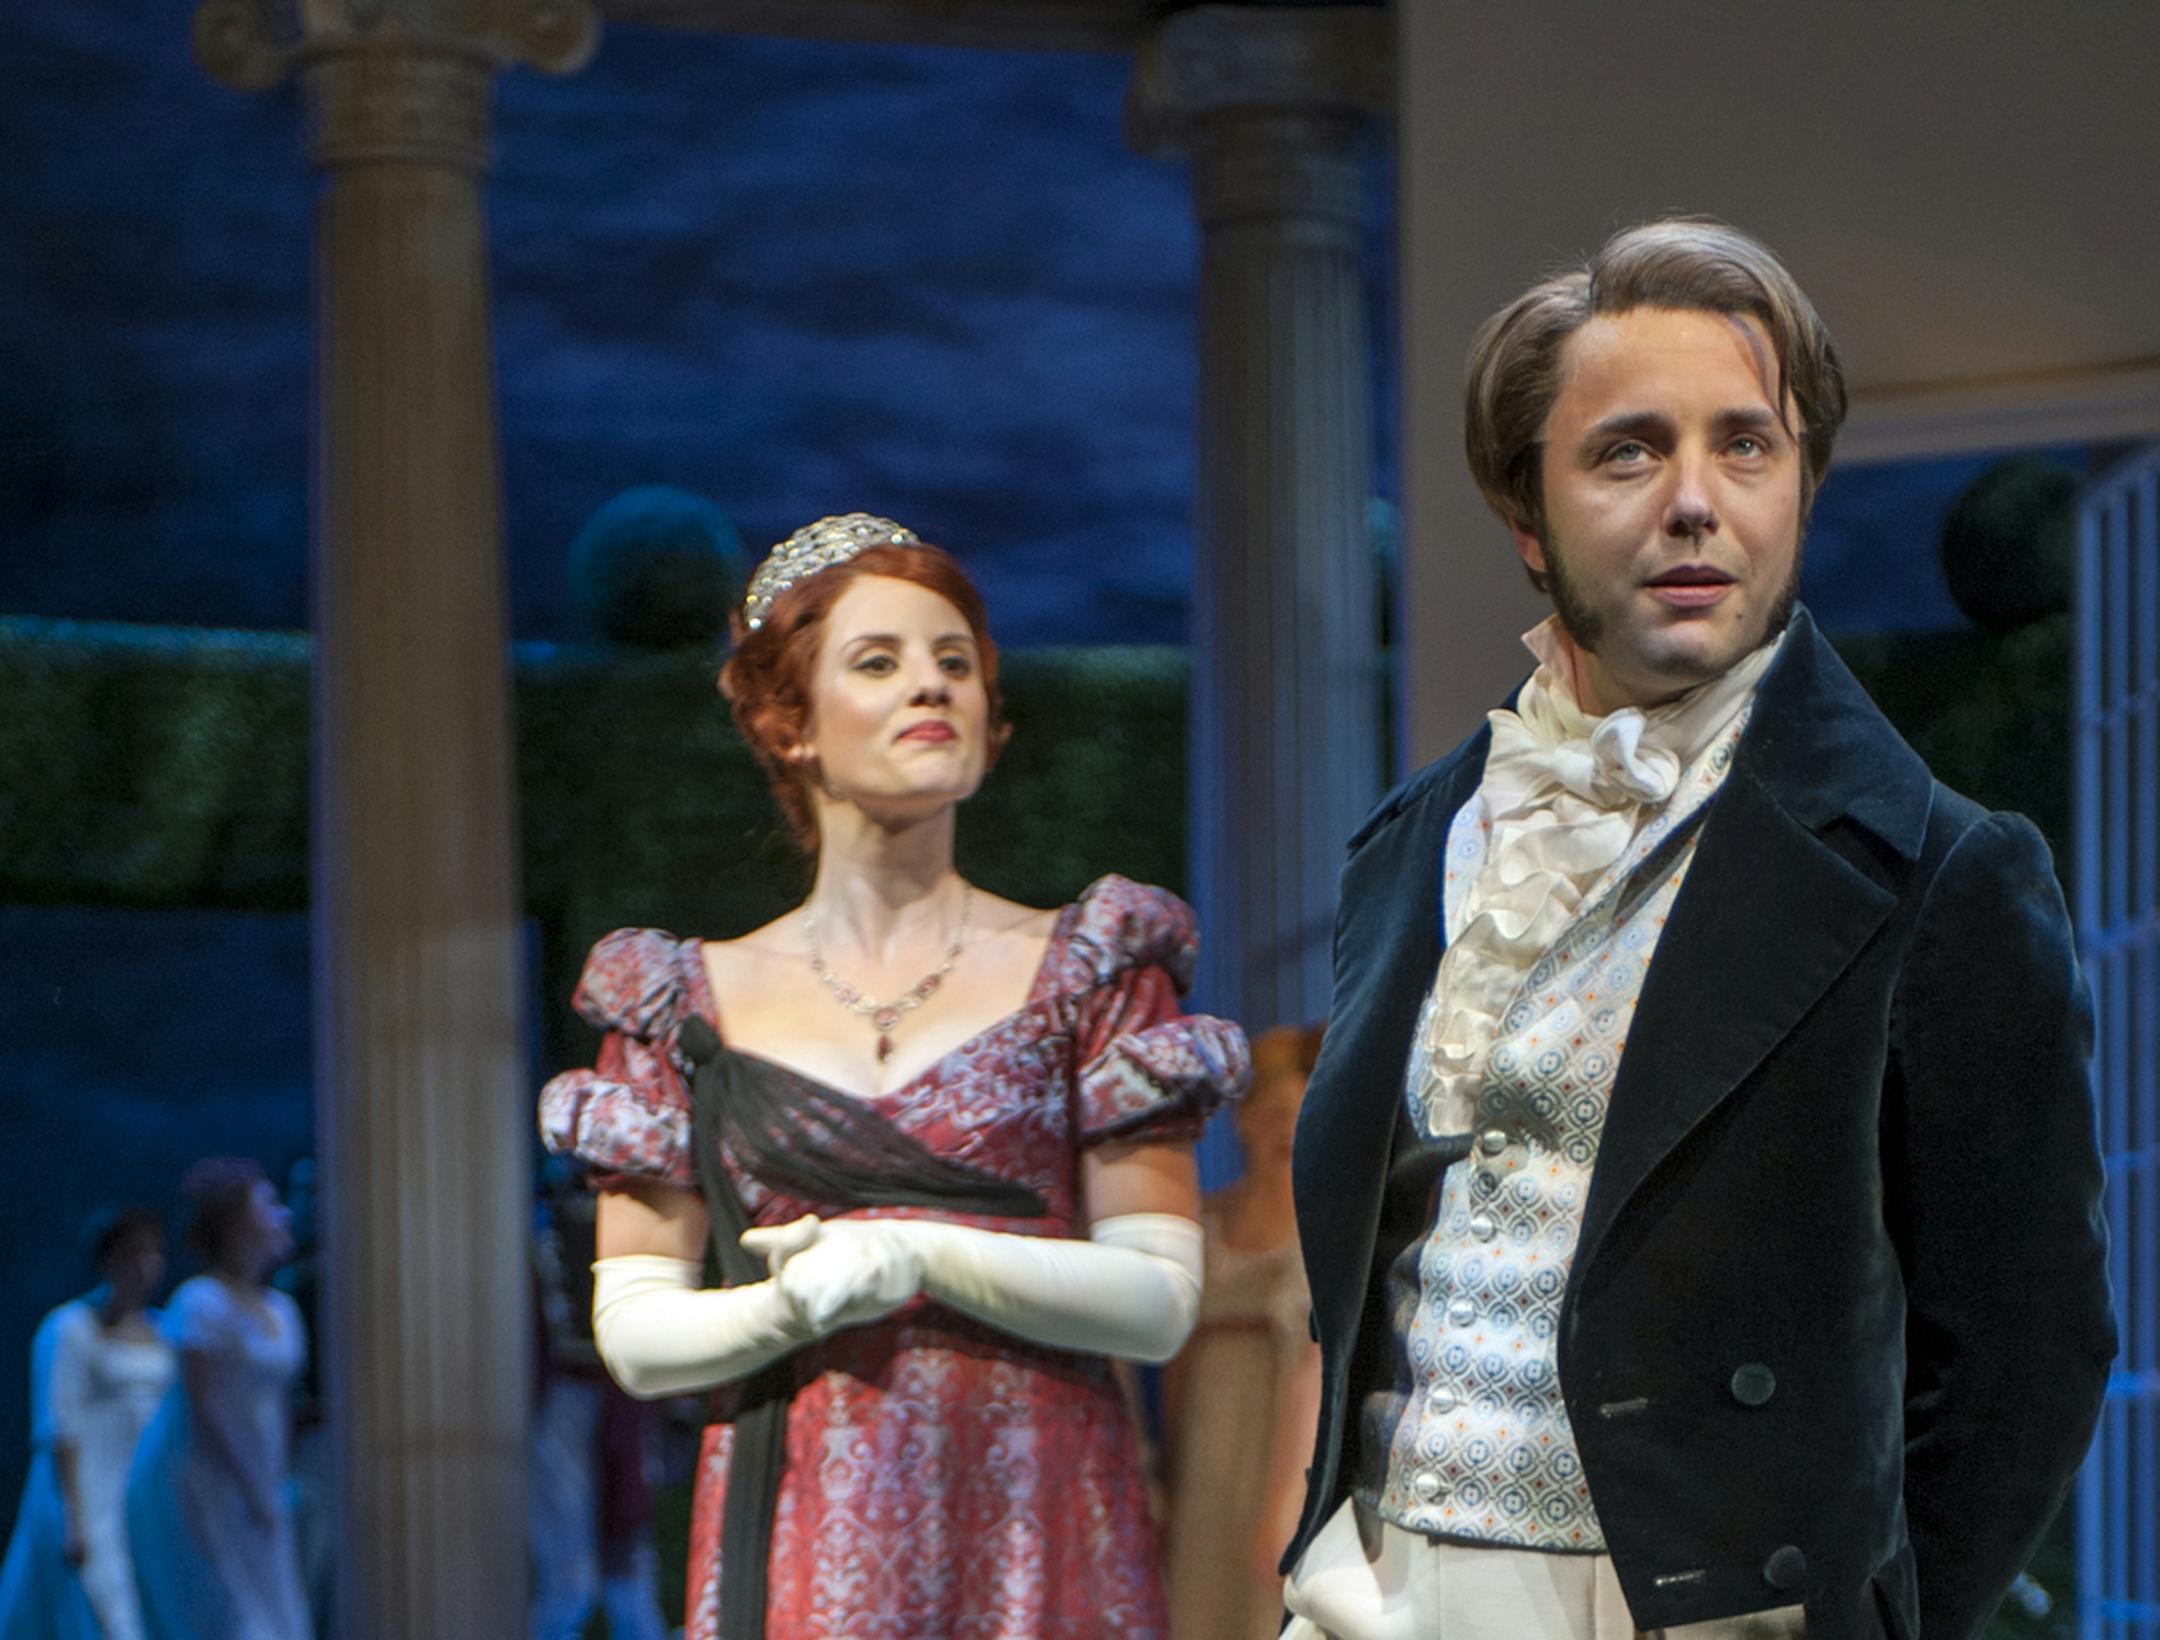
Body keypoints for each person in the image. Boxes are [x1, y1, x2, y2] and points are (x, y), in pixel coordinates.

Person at [1280, 219, 2114, 1640]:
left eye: (1747, 446)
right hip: (1378, 1595)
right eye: (1626, 450)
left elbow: (2026, 1361)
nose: (1693, 502)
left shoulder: (1940, 873)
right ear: (1526, 515)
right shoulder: (1411, 843)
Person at [538, 514, 1250, 1640]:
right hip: (802, 1523)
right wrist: (791, 1303)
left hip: (1036, 1514)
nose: (931, 683)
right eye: (880, 662)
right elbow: (633, 1330)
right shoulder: (683, 1001)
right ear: (791, 722)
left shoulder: (1090, 971)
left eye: (954, 660)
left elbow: (1158, 1298)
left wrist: (913, 1251)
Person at [1162, 1023, 1324, 1640]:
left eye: (1299, 1112)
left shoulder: (1324, 1227)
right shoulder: (1205, 1223)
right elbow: (1176, 1359)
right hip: (1210, 1449)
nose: (1285, 1127)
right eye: (1273, 1111)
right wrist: (1171, 1471)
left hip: (1283, 1442)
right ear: (1244, 1120)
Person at [127, 1160, 309, 1640]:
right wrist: (250, 1483)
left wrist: (270, 1480)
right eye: (267, 1205)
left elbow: (278, 1405)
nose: (281, 1215)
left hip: (259, 1469)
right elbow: (201, 1406)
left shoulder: (281, 1307)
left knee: (274, 1606)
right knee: (230, 1613)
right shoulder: (201, 1301)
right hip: (205, 1476)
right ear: (234, 1224)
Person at [0, 1209, 174, 1640]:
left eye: (153, 1252)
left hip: (142, 1488)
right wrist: (73, 1516)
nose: (145, 1264)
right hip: (90, 1488)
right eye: (134, 1252)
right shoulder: (69, 1328)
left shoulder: (164, 1330)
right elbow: (58, 1424)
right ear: (109, 1258)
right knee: (104, 1606)